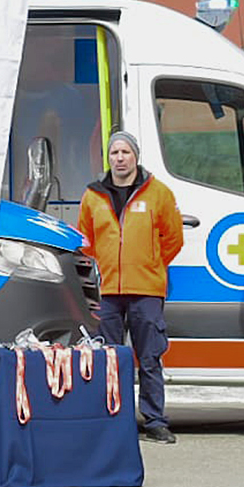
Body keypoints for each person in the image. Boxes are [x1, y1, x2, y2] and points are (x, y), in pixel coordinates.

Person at [77, 130, 185, 443]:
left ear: (136, 156)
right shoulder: (93, 195)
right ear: (108, 158)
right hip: (109, 291)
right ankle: (113, 419)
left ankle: (154, 421)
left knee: (149, 358)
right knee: (109, 358)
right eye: (114, 153)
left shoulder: (158, 193)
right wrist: (106, 266)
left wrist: (150, 264)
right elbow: (86, 241)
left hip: (147, 290)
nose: (120, 158)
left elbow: (173, 238)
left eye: (125, 152)